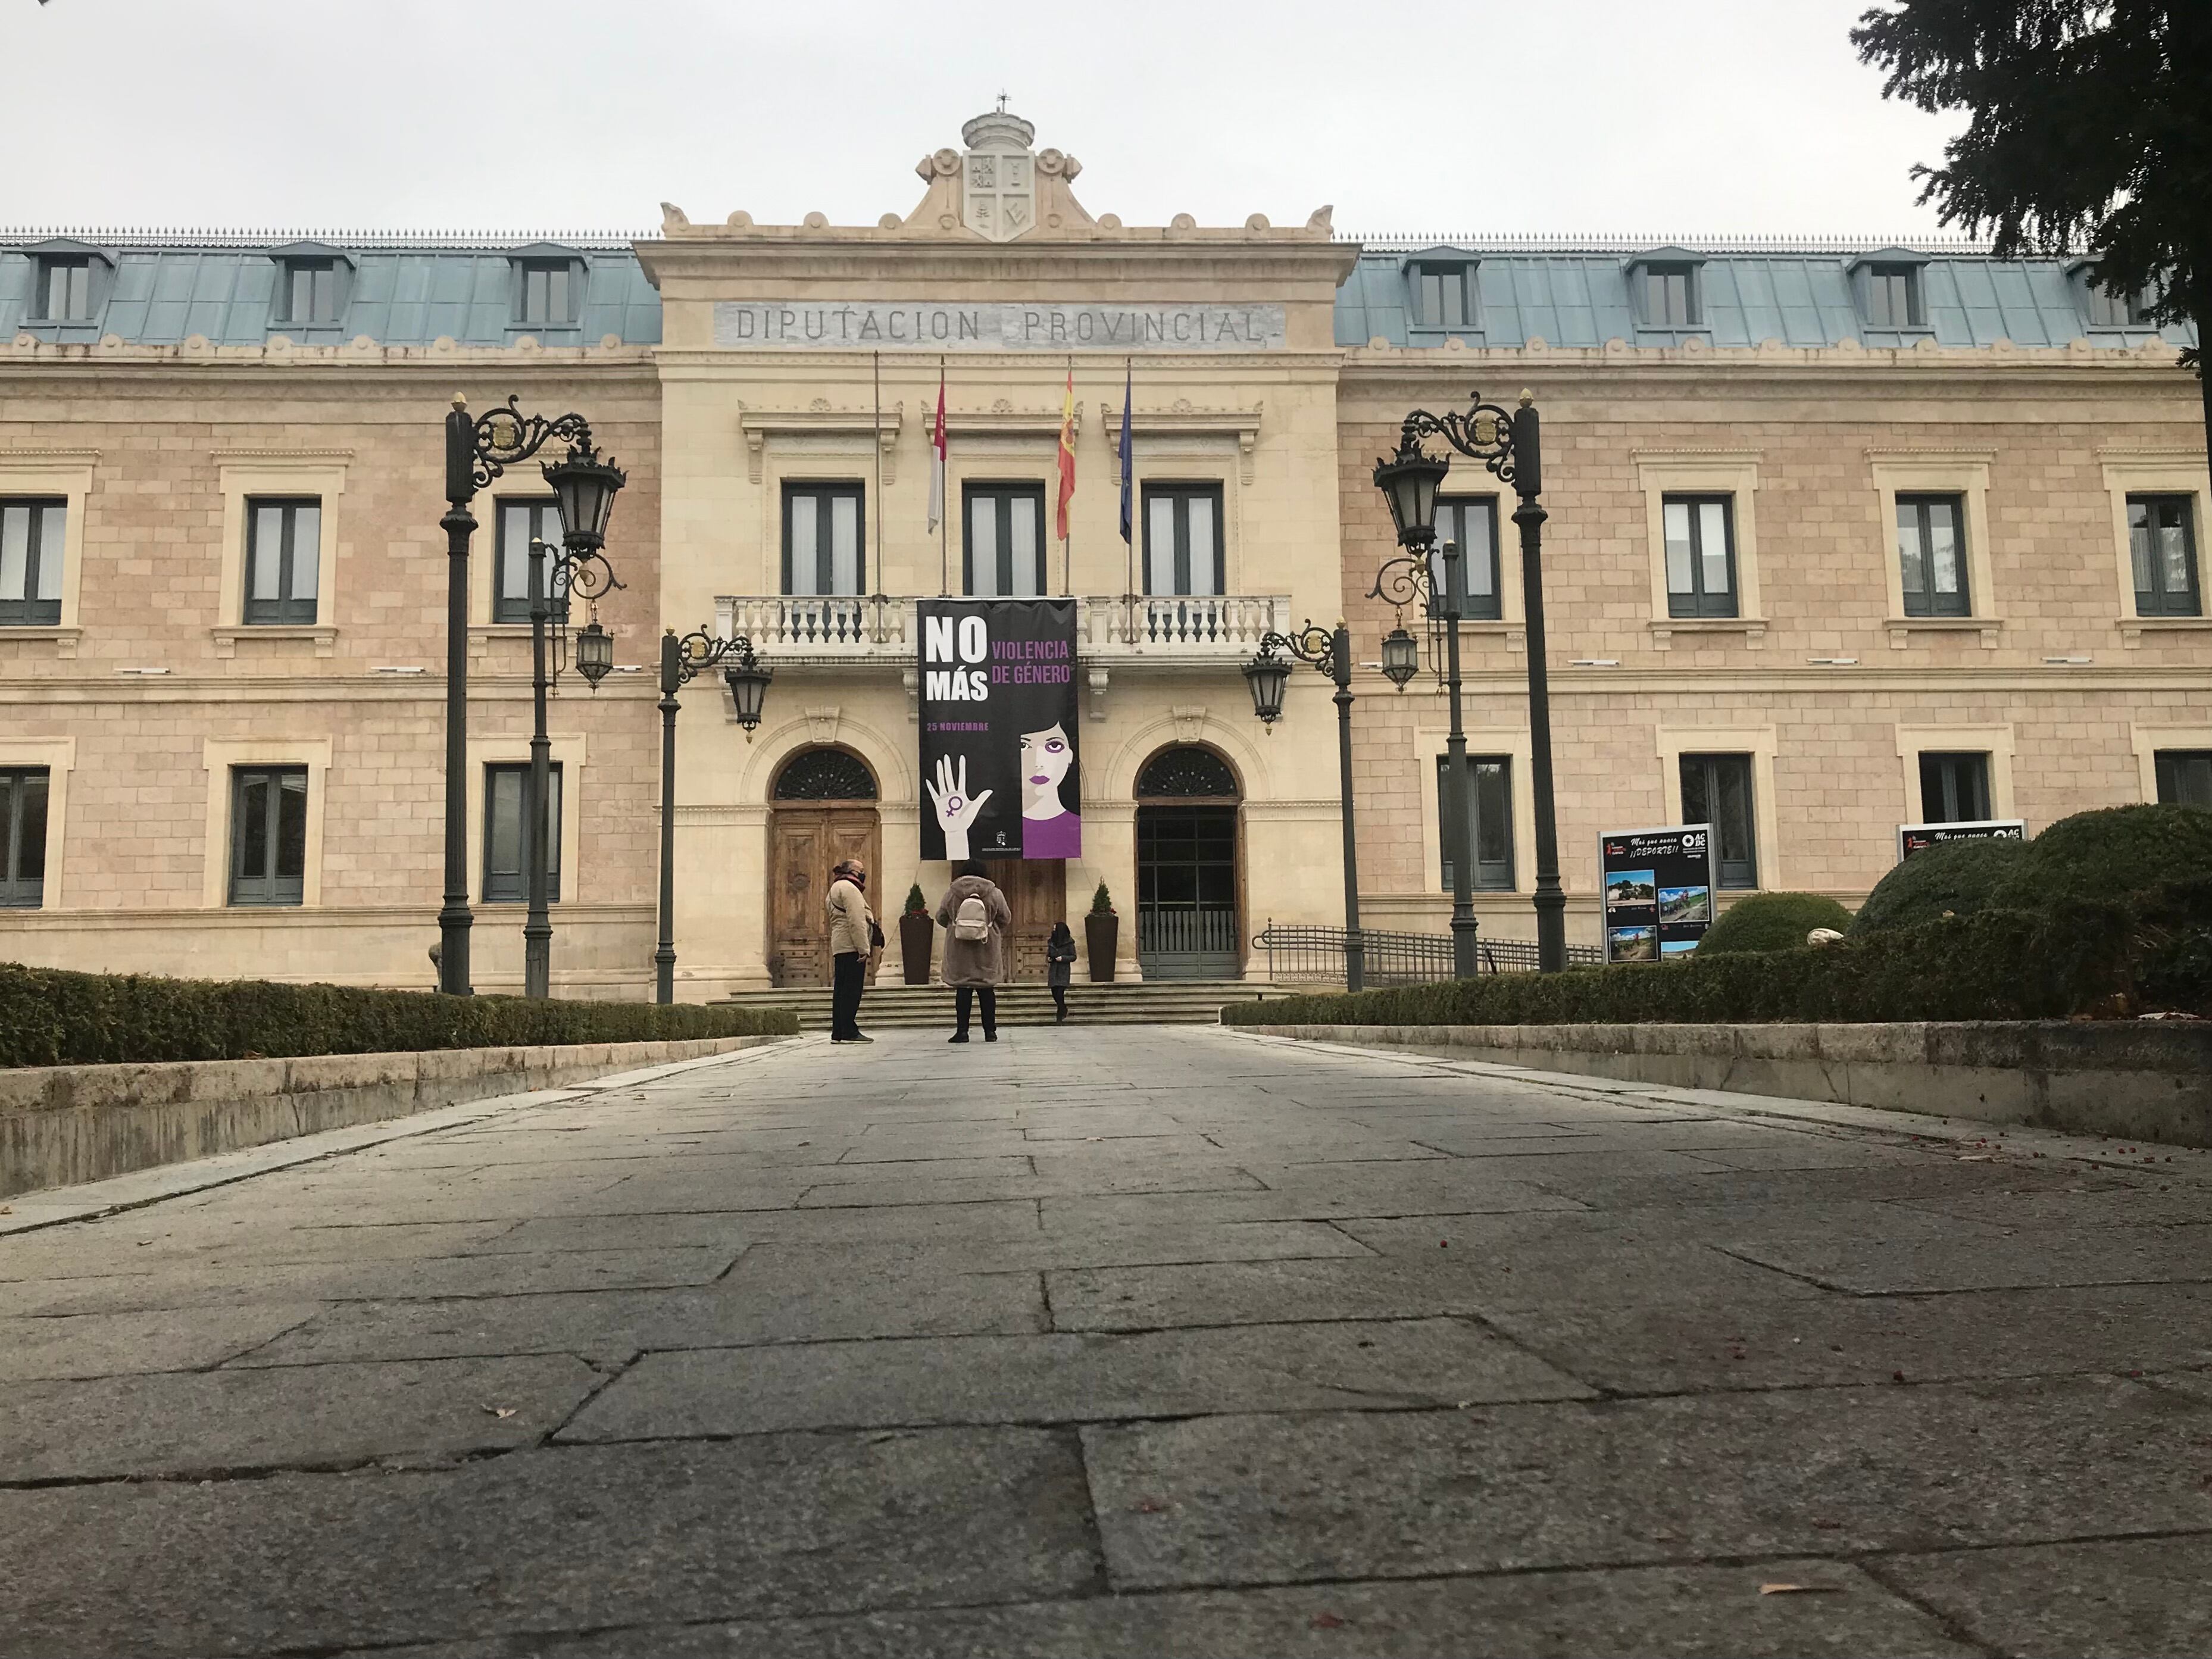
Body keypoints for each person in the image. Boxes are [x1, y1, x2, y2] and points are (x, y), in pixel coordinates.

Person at [936, 858, 1011, 1042]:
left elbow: (940, 917)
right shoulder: (995, 893)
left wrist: (956, 926)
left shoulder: (952, 892)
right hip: (987, 947)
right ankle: (990, 1032)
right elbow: (1006, 918)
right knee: (987, 990)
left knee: (963, 990)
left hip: (959, 948)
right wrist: (990, 929)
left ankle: (962, 1031)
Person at [824, 857, 874, 1043]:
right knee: (851, 991)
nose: (863, 873)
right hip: (851, 945)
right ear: (852, 871)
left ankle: (838, 1031)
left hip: (840, 944)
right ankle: (848, 1031)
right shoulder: (849, 888)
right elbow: (856, 920)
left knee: (841, 991)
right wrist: (863, 948)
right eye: (860, 869)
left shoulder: (835, 888)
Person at [1045, 919, 1078, 1022]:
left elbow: (1073, 956)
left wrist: (1063, 958)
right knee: (1054, 992)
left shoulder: (1069, 943)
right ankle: (1063, 1009)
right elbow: (1048, 954)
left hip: (1063, 970)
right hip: (1054, 970)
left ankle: (1060, 1015)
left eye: (1055, 929)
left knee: (1060, 993)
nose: (1053, 931)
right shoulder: (1052, 942)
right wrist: (1049, 958)